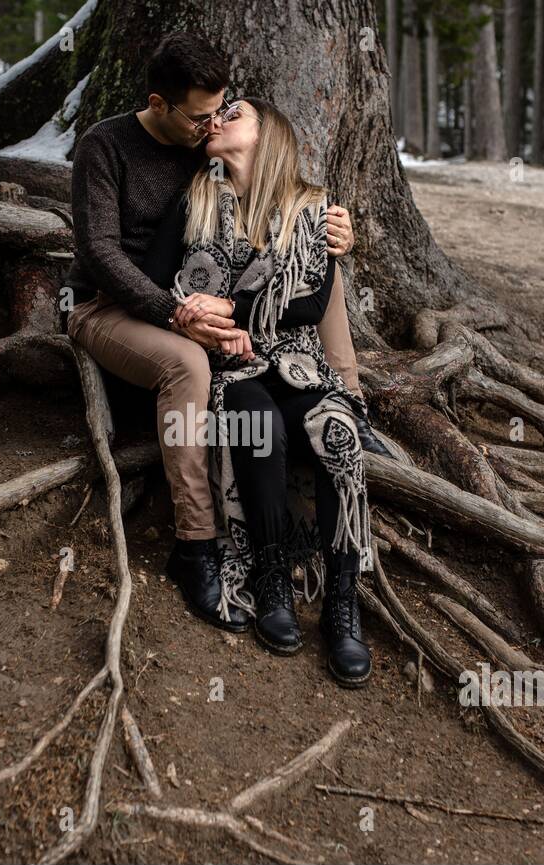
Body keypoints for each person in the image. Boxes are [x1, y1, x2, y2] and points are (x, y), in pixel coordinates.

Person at [65, 32, 388, 638]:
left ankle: (350, 402)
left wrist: (330, 226)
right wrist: (181, 312)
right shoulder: (105, 147)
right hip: (110, 308)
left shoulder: (205, 150)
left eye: (222, 111)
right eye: (201, 115)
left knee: (318, 275)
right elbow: (101, 253)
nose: (212, 123)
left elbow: (272, 201)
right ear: (160, 104)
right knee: (188, 364)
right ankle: (196, 547)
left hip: (189, 310)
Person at [141, 98, 373, 687]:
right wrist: (195, 318)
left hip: (299, 365)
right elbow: (153, 281)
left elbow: (312, 299)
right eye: (214, 115)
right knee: (256, 426)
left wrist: (232, 304)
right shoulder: (193, 200)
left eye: (233, 113)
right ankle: (270, 581)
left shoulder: (312, 210)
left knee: (338, 436)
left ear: (268, 134)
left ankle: (344, 606)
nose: (215, 120)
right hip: (228, 367)